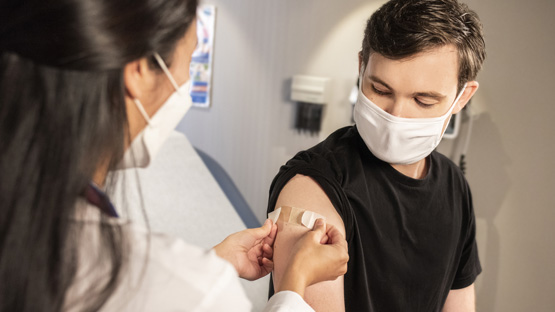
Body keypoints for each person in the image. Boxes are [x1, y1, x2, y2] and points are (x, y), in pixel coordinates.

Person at [0, 0, 349, 311]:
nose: (186, 79)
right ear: (138, 70)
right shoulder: (193, 289)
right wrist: (293, 287)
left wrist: (214, 262)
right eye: (193, 58)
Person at [267, 0, 486, 311]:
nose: (396, 115)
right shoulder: (314, 185)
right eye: (381, 90)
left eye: (423, 100)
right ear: (361, 68)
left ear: (462, 96)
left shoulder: (455, 186)